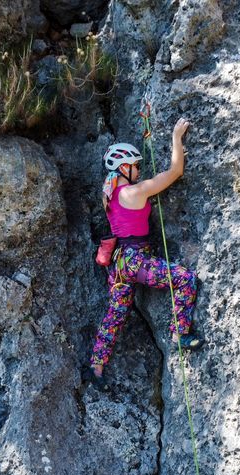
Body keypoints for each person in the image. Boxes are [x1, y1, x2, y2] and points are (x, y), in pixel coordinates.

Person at [84, 117, 203, 383]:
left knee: (115, 314)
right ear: (124, 167)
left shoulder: (110, 195)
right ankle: (179, 332)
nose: (139, 170)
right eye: (136, 166)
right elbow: (174, 172)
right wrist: (176, 138)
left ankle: (97, 366)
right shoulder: (133, 192)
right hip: (137, 260)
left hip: (120, 264)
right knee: (185, 279)